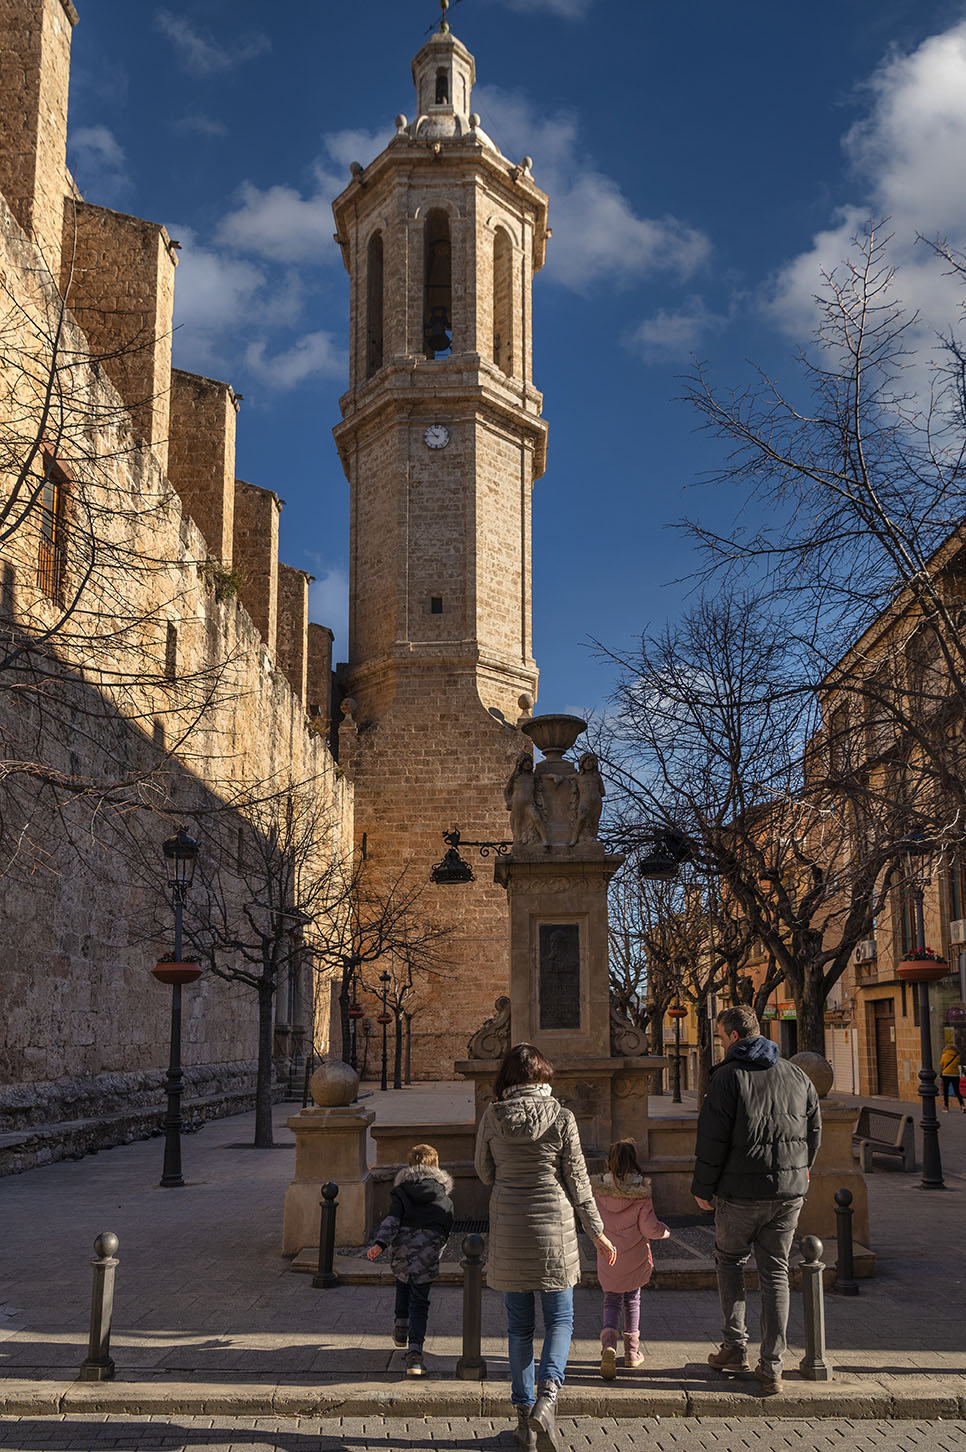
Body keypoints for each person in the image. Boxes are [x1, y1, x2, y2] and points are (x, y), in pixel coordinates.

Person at [475, 1043, 616, 1452]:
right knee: (561, 1321)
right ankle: (548, 1399)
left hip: (510, 1231)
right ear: (542, 1076)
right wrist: (597, 1232)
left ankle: (524, 1419)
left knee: (518, 1328)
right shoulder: (562, 1117)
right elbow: (579, 1182)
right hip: (554, 1231)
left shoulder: (492, 1116)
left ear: (506, 1078)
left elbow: (484, 1172)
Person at [692, 1005, 822, 1397]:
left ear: (733, 1036)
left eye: (720, 1036)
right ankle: (772, 1365)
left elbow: (711, 1140)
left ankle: (734, 1347)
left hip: (740, 1194)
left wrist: (702, 1188)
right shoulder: (796, 1074)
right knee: (775, 1272)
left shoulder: (727, 1077)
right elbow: (814, 1130)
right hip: (788, 1193)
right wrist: (802, 1170)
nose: (720, 1043)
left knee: (730, 1263)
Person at [366, 1142, 454, 1378]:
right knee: (420, 1301)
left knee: (403, 1283)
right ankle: (415, 1353)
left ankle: (401, 1327)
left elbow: (392, 1220)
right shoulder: (441, 1194)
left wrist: (380, 1244)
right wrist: (438, 1245)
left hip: (402, 1249)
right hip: (427, 1251)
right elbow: (447, 1222)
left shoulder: (401, 1191)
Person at [590, 1138, 669, 1379]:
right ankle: (632, 1353)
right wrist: (665, 1231)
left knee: (611, 1300)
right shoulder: (641, 1193)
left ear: (608, 1163)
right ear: (634, 1161)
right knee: (632, 1300)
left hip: (608, 1257)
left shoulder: (598, 1192)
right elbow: (649, 1228)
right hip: (634, 1258)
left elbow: (592, 1222)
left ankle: (608, 1346)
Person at [939, 1042, 965, 1111]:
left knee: (946, 1091)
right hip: (955, 1075)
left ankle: (946, 1106)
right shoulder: (957, 1056)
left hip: (946, 1074)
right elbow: (957, 1063)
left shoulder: (944, 1055)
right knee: (957, 1091)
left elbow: (941, 1063)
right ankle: (962, 1105)